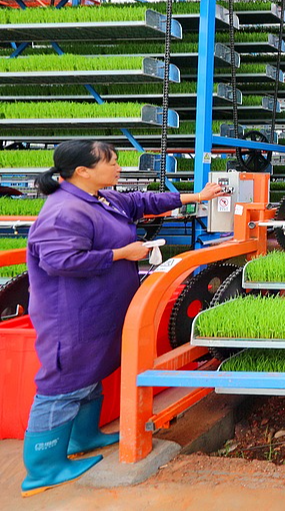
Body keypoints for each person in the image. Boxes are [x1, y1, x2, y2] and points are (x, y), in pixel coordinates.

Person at [21, 140, 227, 497]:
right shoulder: (64, 211)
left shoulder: (103, 198)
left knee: (90, 372)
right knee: (64, 382)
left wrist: (195, 197)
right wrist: (121, 253)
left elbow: (141, 203)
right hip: (71, 317)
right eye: (111, 162)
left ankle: (83, 437)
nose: (118, 167)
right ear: (83, 171)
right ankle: (42, 468)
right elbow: (60, 262)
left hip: (98, 312)